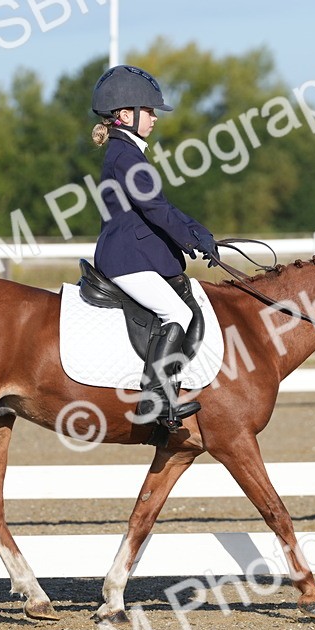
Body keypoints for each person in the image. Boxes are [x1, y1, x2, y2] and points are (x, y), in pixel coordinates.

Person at [90, 64, 219, 430]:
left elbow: (155, 206)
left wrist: (197, 232)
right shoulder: (126, 155)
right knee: (177, 314)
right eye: (148, 111)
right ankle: (156, 399)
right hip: (126, 258)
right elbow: (156, 209)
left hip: (133, 252)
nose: (154, 119)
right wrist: (194, 236)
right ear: (125, 114)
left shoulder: (127, 151)